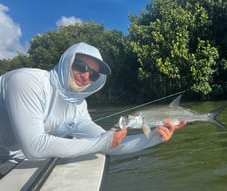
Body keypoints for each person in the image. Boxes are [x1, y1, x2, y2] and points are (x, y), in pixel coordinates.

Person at [0, 42, 187, 163]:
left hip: (15, 162)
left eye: (94, 74)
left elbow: (111, 146)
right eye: (80, 66)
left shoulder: (79, 107)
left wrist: (155, 137)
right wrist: (102, 142)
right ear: (67, 62)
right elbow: (34, 146)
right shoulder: (26, 81)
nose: (86, 75)